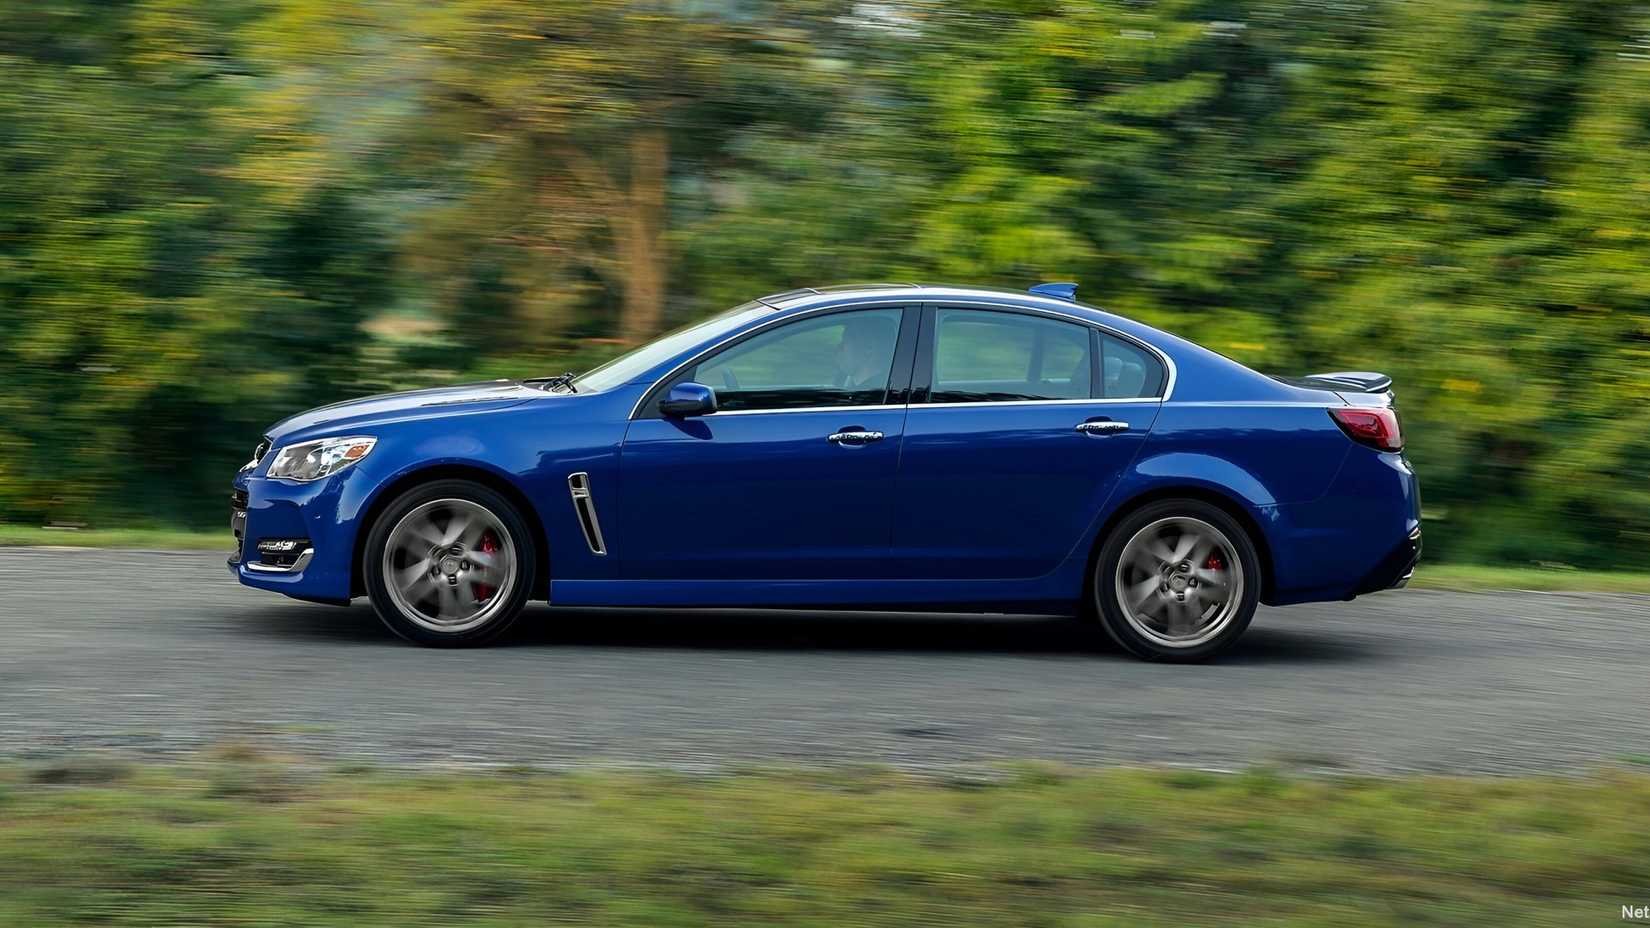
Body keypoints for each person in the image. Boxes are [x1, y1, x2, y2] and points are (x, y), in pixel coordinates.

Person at [835, 316, 895, 395]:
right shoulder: (881, 388)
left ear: (868, 348)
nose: (838, 347)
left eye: (844, 342)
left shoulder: (871, 397)